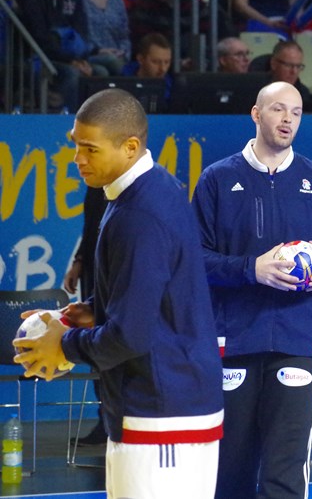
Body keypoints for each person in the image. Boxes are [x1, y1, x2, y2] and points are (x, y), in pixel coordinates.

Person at [14, 88, 224, 498]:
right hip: (169, 405)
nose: (78, 158)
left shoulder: (138, 214)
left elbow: (130, 336)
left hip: (160, 416)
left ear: (130, 147)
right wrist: (94, 310)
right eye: (76, 145)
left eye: (90, 149)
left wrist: (64, 344)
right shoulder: (150, 188)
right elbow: (157, 294)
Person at [191, 81, 312, 499]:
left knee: (286, 465)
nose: (288, 120)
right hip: (233, 339)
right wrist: (252, 269)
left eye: (296, 113)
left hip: (297, 338)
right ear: (256, 114)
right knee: (230, 466)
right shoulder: (217, 179)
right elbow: (193, 259)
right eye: (278, 109)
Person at [17, 0, 109, 112]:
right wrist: (71, 60)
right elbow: (40, 39)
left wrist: (81, 59)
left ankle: (96, 119)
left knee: (106, 67)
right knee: (72, 74)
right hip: (40, 57)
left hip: (72, 56)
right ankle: (66, 118)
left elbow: (81, 32)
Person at [62, 185, 109, 446]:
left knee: (112, 344)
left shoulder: (134, 188)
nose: (81, 165)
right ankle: (105, 421)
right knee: (96, 348)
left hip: (115, 275)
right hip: (93, 272)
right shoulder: (95, 186)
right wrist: (79, 262)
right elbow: (91, 226)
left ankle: (116, 420)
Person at [79, 0, 131, 75]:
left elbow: (124, 37)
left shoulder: (117, 0)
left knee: (112, 64)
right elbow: (75, 36)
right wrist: (97, 50)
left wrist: (123, 53)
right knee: (106, 67)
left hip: (116, 56)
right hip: (89, 55)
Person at [260, 39, 312, 110]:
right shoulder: (256, 88)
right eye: (288, 65)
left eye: (298, 66)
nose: (294, 71)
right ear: (273, 64)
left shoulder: (303, 94)